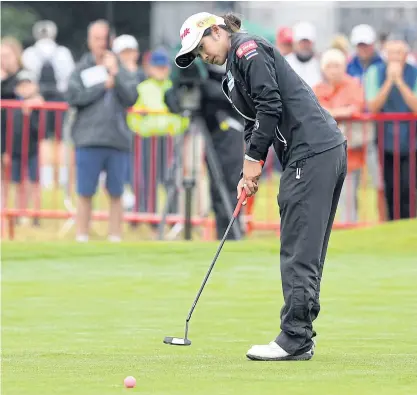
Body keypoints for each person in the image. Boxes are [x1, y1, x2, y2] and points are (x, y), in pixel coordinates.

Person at [175, 12, 347, 361]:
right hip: (318, 152)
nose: (202, 55)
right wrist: (247, 168)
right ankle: (301, 334)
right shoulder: (233, 70)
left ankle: (295, 338)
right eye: (194, 53)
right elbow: (256, 119)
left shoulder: (247, 50)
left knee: (299, 249)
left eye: (202, 45)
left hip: (311, 153)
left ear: (218, 30)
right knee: (305, 249)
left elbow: (271, 104)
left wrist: (255, 159)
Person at [67, 20, 139, 242]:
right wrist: (102, 86)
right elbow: (74, 97)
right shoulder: (81, 68)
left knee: (116, 192)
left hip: (117, 139)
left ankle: (115, 236)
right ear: (89, 41)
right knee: (85, 191)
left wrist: (116, 75)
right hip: (88, 138)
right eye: (96, 38)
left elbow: (132, 97)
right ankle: (82, 236)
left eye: (104, 39)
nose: (100, 43)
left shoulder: (120, 68)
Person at [365, 35, 417, 220]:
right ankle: (392, 222)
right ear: (385, 55)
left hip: (410, 139)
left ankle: (408, 222)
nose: (395, 57)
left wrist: (400, 82)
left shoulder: (414, 72)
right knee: (388, 185)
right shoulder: (375, 72)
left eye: (399, 53)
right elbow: (372, 106)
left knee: (408, 185)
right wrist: (388, 81)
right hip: (383, 138)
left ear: (406, 55)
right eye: (391, 53)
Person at [313, 49, 368, 224]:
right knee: (323, 196)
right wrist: (340, 112)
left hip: (351, 153)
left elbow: (355, 108)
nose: (334, 70)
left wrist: (332, 112)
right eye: (329, 66)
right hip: (324, 153)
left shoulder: (354, 86)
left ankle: (350, 226)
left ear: (344, 67)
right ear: (323, 69)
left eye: (337, 66)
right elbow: (317, 110)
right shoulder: (317, 88)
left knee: (349, 196)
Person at [284, 21, 321, 87]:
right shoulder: (285, 62)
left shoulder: (320, 64)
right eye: (301, 42)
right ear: (295, 43)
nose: (304, 45)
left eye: (307, 42)